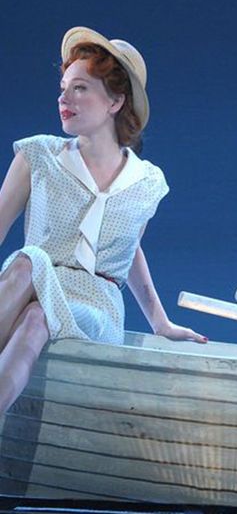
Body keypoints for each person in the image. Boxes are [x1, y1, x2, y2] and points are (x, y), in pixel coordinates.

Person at [0, 26, 206, 412]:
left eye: (80, 88)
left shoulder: (146, 182)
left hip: (95, 304)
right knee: (30, 274)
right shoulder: (38, 155)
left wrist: (160, 322)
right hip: (33, 281)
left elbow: (131, 251)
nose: (64, 98)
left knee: (37, 308)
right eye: (63, 87)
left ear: (115, 101)